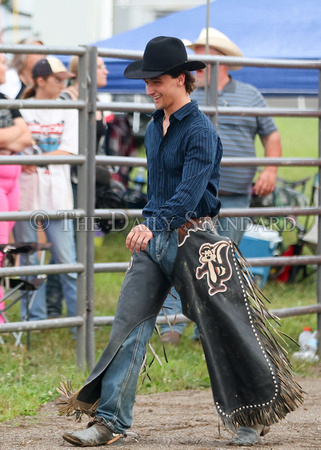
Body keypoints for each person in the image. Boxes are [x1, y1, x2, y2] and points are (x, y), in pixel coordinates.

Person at [59, 36, 303, 447]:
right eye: (146, 81)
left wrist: (155, 225)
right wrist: (145, 220)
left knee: (223, 328)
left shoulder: (201, 132)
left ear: (180, 79)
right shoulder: (155, 129)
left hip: (196, 243)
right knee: (128, 327)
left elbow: (189, 194)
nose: (149, 88)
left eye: (156, 80)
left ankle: (252, 414)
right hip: (155, 241)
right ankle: (110, 421)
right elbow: (158, 191)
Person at [160, 27, 283, 345]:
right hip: (192, 196)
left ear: (221, 60)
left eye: (203, 55)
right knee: (182, 257)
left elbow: (271, 135)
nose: (197, 61)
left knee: (222, 263)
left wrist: (270, 169)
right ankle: (171, 326)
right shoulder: (188, 95)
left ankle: (209, 330)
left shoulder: (250, 95)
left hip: (236, 195)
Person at [13, 56, 78, 322]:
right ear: (40, 81)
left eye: (64, 79)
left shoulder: (70, 110)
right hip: (27, 195)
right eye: (57, 79)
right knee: (29, 262)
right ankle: (33, 320)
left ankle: (77, 322)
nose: (63, 84)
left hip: (59, 196)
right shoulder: (21, 109)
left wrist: (31, 159)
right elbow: (13, 146)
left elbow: (69, 150)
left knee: (68, 263)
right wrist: (20, 158)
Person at [45, 54, 109, 319]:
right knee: (67, 245)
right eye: (101, 66)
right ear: (86, 71)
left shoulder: (98, 101)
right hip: (68, 181)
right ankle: (54, 308)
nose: (106, 71)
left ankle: (63, 307)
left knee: (76, 243)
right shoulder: (67, 99)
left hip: (86, 182)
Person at [0, 53, 32, 323]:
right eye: (0, 62)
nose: (5, 67)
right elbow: (18, 134)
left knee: (4, 247)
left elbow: (26, 136)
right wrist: (13, 138)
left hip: (13, 180)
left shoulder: (6, 100)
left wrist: (5, 140)